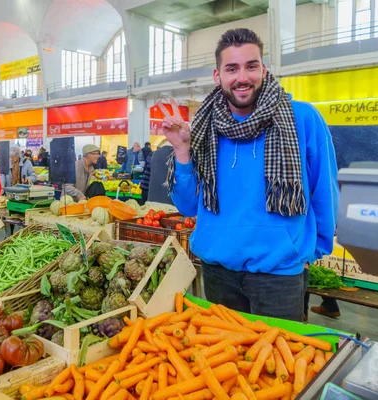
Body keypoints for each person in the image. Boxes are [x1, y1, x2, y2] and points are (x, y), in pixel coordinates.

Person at [162, 28, 338, 322]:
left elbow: (325, 191)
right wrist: (182, 150)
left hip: (278, 276)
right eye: (232, 68)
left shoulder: (302, 118)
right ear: (218, 76)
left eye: (251, 66)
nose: (242, 77)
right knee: (228, 361)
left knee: (278, 363)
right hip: (218, 272)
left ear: (263, 70)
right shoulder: (204, 128)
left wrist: (310, 252)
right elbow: (188, 206)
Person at [144, 141, 174, 205]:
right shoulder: (178, 155)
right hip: (171, 204)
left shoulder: (153, 154)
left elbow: (147, 177)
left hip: (152, 201)